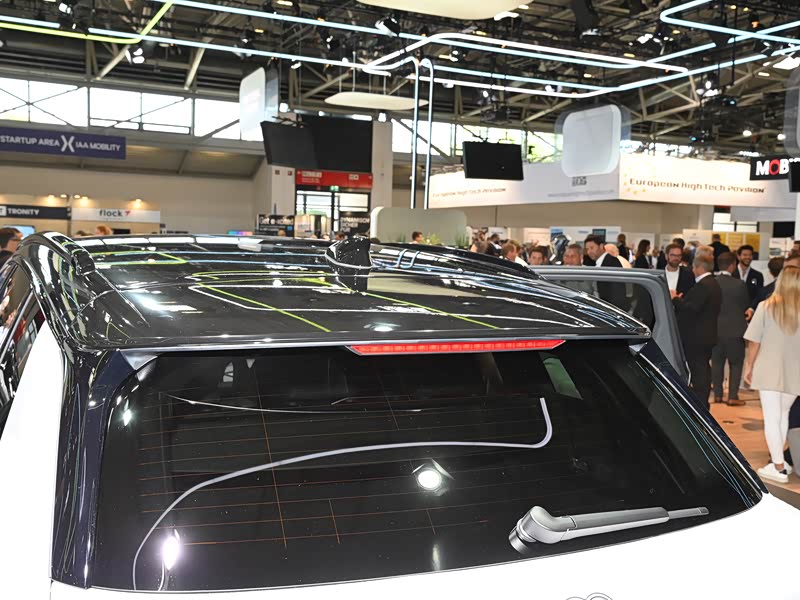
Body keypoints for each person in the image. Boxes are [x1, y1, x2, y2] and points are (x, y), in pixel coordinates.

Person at [743, 264, 800, 483]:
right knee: (783, 415)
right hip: (795, 371)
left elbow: (754, 341)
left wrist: (749, 367)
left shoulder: (765, 307)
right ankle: (780, 462)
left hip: (768, 368)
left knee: (771, 418)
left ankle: (778, 467)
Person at [672, 253, 722, 409]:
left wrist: (675, 299)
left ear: (699, 268)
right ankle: (702, 401)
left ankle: (701, 404)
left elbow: (691, 309)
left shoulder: (703, 285)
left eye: (694, 267)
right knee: (702, 369)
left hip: (696, 338)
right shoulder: (713, 283)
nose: (693, 270)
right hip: (706, 335)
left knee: (699, 372)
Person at [712, 252, 750, 406]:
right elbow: (745, 304)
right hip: (735, 330)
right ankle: (733, 396)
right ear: (732, 266)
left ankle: (718, 395)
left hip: (715, 330)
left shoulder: (712, 283)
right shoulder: (739, 284)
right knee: (736, 364)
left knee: (717, 363)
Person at [584, 234, 627, 309]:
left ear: (601, 246)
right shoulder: (600, 263)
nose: (589, 252)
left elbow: (617, 292)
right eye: (587, 249)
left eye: (592, 248)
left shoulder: (612, 263)